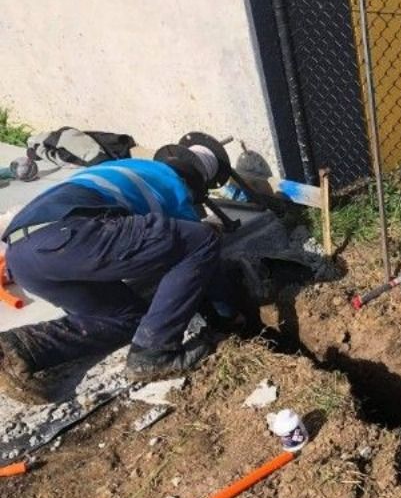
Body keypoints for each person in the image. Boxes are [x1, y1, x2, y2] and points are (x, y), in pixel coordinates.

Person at [0, 142, 235, 405]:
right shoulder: (171, 182)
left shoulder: (119, 168)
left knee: (128, 319)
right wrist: (227, 313)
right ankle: (154, 352)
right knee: (204, 239)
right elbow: (197, 255)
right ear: (192, 180)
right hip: (69, 236)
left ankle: (20, 347)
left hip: (21, 256)